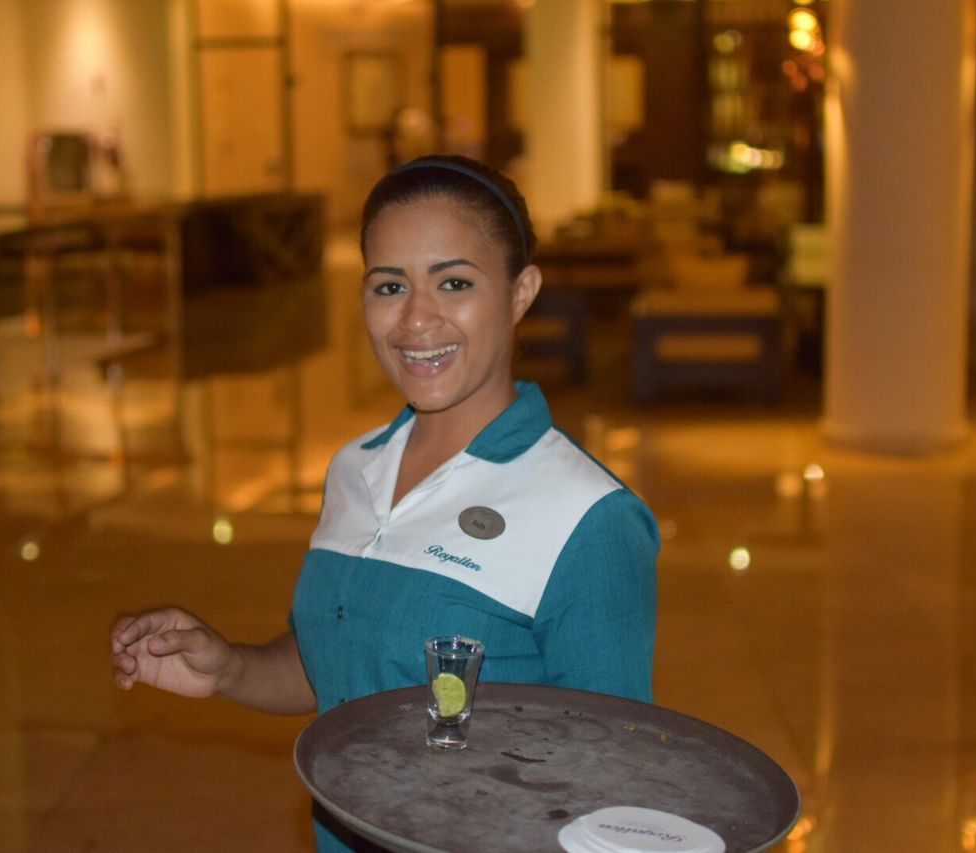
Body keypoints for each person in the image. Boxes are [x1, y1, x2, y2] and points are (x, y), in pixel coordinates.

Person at [110, 155, 659, 850]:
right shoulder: (356, 468)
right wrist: (230, 667)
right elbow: (337, 664)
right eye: (389, 285)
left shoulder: (588, 516)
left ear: (521, 292)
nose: (415, 319)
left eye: (454, 282)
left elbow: (615, 784)